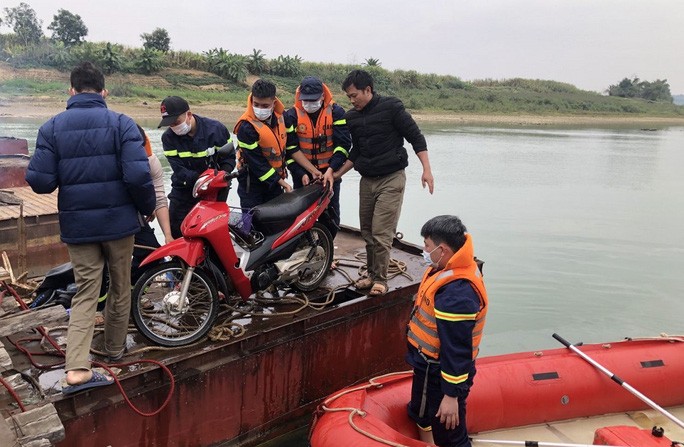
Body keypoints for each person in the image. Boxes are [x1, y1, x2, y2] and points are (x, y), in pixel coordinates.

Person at [25, 61, 155, 393]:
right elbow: (139, 176)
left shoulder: (51, 128)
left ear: (71, 91)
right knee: (121, 285)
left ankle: (78, 369)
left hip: (79, 226)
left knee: (86, 292)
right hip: (120, 224)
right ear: (103, 91)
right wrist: (147, 209)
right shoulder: (123, 124)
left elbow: (40, 182)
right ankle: (113, 350)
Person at [325, 69, 434, 296]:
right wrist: (336, 174)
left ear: (368, 90)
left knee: (381, 232)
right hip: (367, 180)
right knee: (367, 231)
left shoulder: (392, 108)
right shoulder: (352, 117)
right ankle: (372, 274)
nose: (352, 100)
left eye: (355, 95)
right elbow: (356, 152)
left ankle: (381, 280)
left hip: (391, 178)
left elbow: (416, 137)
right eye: (349, 97)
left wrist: (426, 170)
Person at [406, 215, 488, 447]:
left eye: (427, 245)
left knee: (451, 435)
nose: (424, 250)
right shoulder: (445, 268)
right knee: (420, 413)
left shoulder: (457, 294)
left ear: (442, 250)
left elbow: (456, 349)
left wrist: (451, 395)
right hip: (425, 363)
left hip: (441, 374)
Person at [234, 79, 321, 209]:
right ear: (251, 100)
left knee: (275, 221)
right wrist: (284, 184)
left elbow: (292, 149)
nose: (260, 109)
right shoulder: (246, 128)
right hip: (251, 183)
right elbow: (258, 165)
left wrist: (312, 171)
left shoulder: (283, 118)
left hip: (275, 181)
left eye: (265, 106)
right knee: (251, 221)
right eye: (256, 104)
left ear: (274, 103)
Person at [158, 96, 233, 238]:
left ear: (189, 115)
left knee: (211, 232)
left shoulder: (216, 130)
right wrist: (201, 180)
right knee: (177, 230)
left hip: (215, 189)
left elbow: (229, 158)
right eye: (170, 124)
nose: (174, 127)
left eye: (176, 122)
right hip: (184, 189)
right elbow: (179, 169)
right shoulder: (168, 138)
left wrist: (223, 174)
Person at [286, 76, 351, 239]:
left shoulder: (337, 112)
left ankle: (328, 252)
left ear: (322, 96)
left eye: (313, 100)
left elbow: (343, 146)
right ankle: (305, 250)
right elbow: (290, 151)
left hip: (330, 174)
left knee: (331, 216)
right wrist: (302, 174)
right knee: (301, 217)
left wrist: (331, 170)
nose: (309, 104)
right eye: (305, 100)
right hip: (303, 176)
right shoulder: (291, 116)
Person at [131, 124, 173, 284]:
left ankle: (132, 293)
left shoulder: (151, 161)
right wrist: (146, 206)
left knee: (152, 254)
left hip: (132, 213)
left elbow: (160, 198)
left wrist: (168, 235)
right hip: (111, 212)